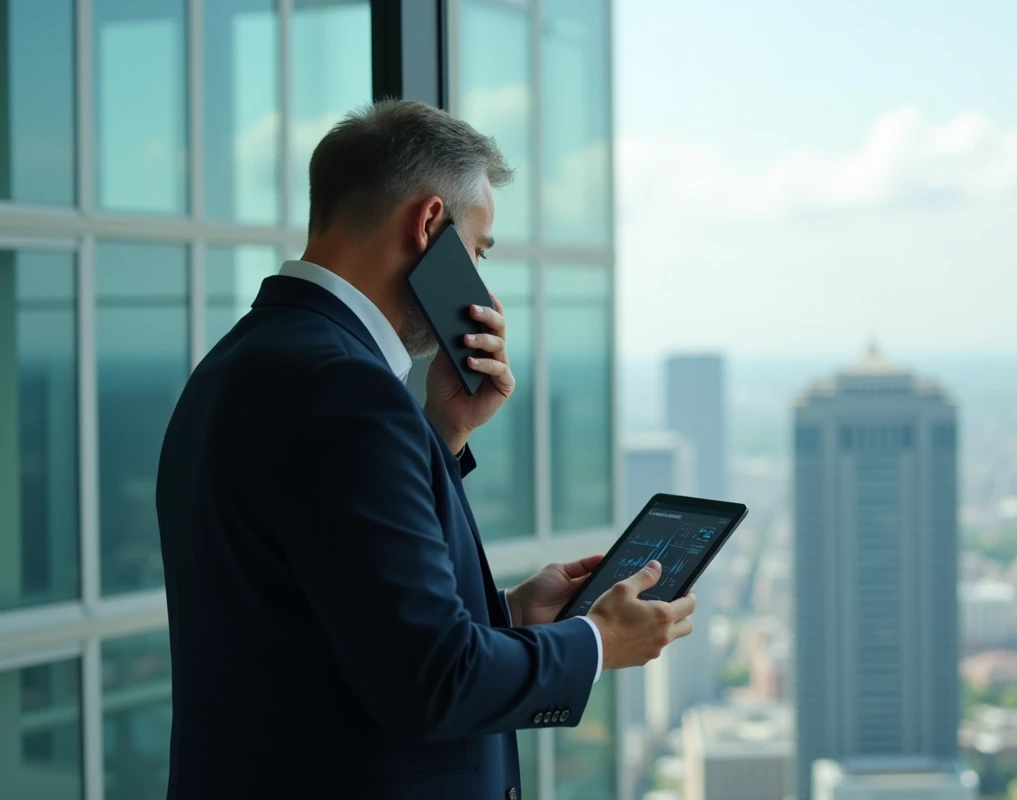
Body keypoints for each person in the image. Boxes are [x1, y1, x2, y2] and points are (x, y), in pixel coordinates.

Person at [155, 99, 696, 800]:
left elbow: (331, 619)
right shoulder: (346, 391)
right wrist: (596, 643)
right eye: (476, 250)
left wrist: (501, 609)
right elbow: (433, 683)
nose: (478, 280)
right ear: (429, 223)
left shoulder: (240, 363)